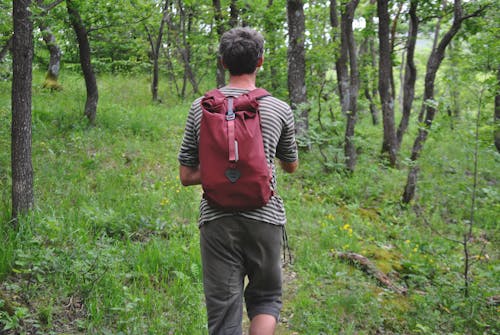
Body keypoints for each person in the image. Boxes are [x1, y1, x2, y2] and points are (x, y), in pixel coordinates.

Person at [178, 27, 298, 335]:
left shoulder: (200, 107)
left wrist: (222, 170)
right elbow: (291, 166)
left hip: (216, 219)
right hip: (265, 216)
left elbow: (186, 175)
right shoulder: (279, 108)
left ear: (222, 62)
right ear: (260, 62)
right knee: (267, 299)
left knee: (222, 310)